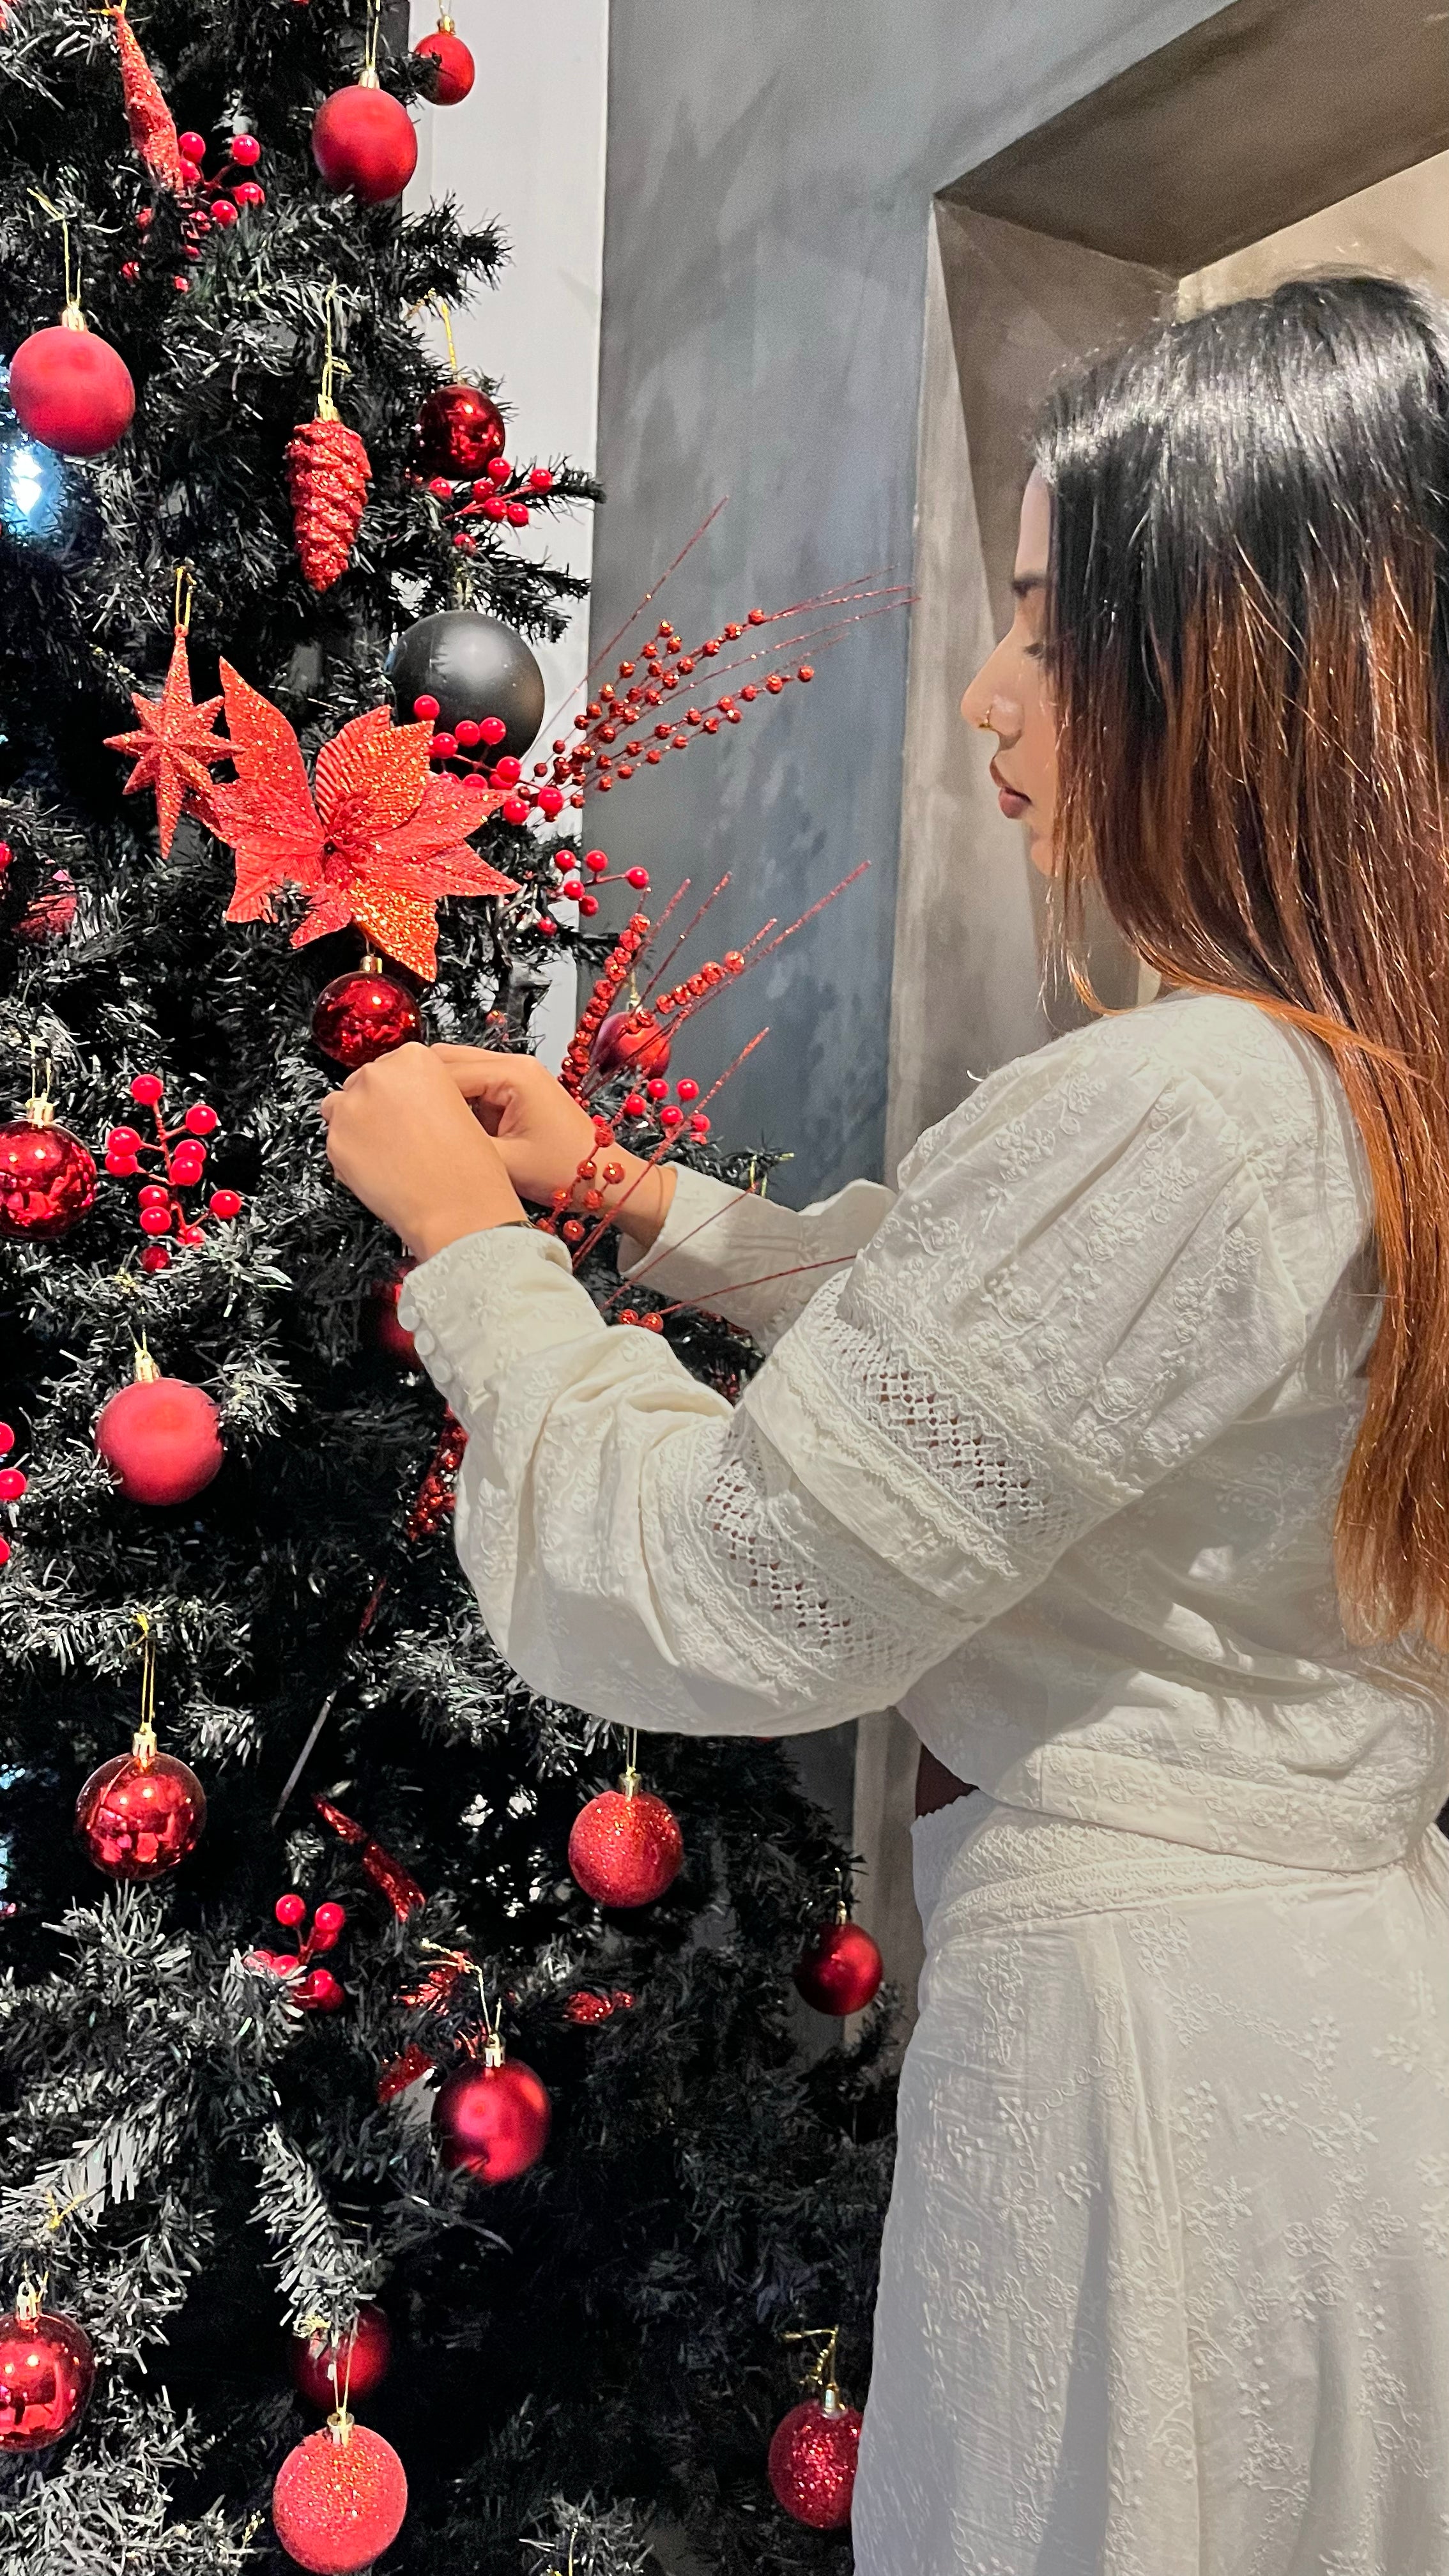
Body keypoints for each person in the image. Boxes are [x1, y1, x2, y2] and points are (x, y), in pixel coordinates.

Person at [320, 275, 1449, 2574]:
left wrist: (471, 1255)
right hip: (1327, 2043)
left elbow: (730, 1589)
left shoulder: (1189, 1100)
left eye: (1048, 618)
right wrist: (646, 1205)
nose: (987, 690)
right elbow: (1035, 1367)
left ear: (1238, 656)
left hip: (1140, 2092)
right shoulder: (1364, 1089)